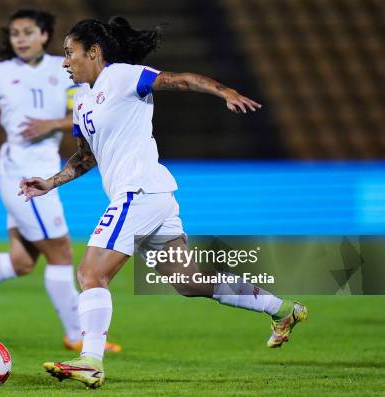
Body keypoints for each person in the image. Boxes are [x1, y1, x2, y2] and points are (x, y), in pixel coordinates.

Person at [19, 17, 308, 389]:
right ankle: (282, 310)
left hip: (138, 192)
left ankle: (91, 359)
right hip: (152, 198)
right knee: (188, 282)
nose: (64, 63)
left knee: (91, 273)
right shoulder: (82, 102)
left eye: (69, 53)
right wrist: (52, 182)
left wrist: (224, 92)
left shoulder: (123, 76)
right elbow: (86, 157)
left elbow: (181, 79)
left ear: (94, 52)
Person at [0, 9, 121, 353]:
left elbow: (81, 111)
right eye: (15, 33)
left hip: (41, 168)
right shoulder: (0, 73)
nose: (20, 39)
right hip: (24, 175)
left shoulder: (63, 69)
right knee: (60, 253)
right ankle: (77, 334)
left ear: (44, 35)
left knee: (21, 262)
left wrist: (51, 125)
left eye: (28, 32)